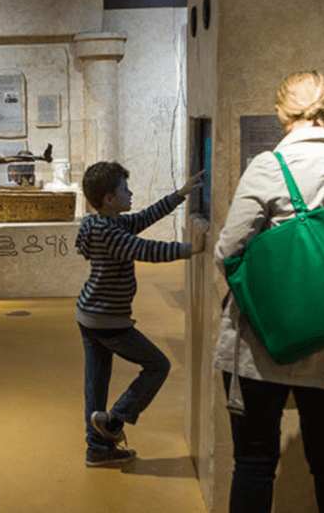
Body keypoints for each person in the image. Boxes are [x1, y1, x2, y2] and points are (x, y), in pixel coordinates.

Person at [212, 70, 324, 512]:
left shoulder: (268, 167)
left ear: (280, 113)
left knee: (253, 463)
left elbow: (227, 250)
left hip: (261, 344)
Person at [75, 161, 208, 468]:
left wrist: (179, 194)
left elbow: (144, 218)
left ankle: (97, 449)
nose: (131, 192)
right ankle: (115, 421)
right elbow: (145, 249)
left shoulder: (102, 224)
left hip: (90, 315)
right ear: (110, 199)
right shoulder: (110, 233)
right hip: (108, 320)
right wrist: (191, 249)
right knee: (157, 365)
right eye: (125, 189)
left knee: (95, 384)